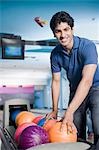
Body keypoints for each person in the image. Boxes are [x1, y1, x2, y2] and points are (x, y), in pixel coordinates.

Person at [47, 11, 99, 147]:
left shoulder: (87, 46)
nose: (63, 35)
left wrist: (68, 111)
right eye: (58, 31)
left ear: (72, 29)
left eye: (66, 29)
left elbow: (87, 80)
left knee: (98, 124)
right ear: (54, 33)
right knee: (72, 128)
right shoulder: (55, 54)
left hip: (96, 87)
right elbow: (56, 81)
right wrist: (54, 109)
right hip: (75, 90)